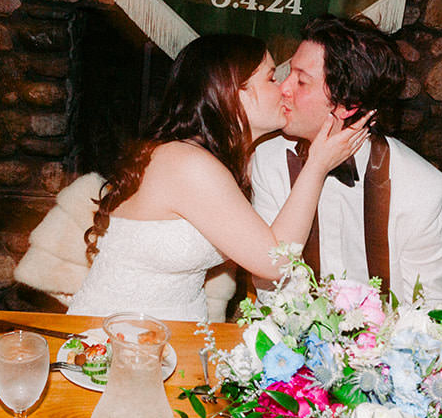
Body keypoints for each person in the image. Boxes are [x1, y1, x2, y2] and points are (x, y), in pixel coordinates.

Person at [68, 33, 370, 323]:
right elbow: (274, 262)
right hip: (115, 339)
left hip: (175, 336)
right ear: (232, 90)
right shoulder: (186, 164)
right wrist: (317, 167)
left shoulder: (213, 156)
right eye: (270, 78)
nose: (284, 89)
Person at [249, 14, 442, 309]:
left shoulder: (422, 187)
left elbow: (431, 306)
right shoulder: (268, 161)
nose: (284, 88)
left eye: (301, 81)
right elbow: (271, 286)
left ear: (349, 105)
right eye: (288, 74)